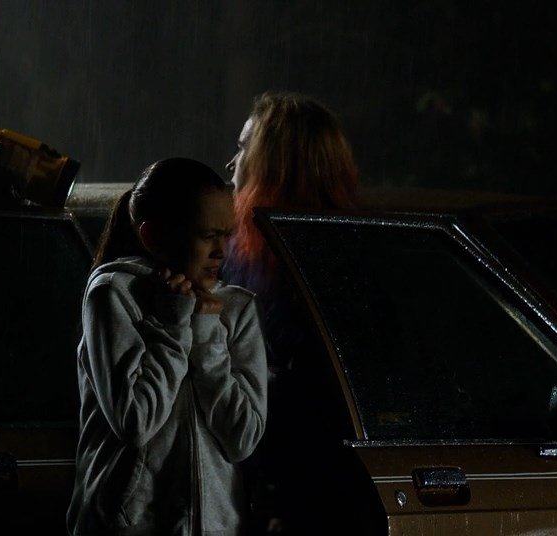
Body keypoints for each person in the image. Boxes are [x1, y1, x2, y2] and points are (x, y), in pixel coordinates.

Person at [68, 158, 269, 536]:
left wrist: (207, 338)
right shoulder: (114, 295)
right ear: (153, 237)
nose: (221, 251)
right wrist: (174, 327)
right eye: (207, 235)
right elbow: (136, 420)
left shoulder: (237, 309)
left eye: (226, 235)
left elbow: (242, 439)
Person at [223, 92, 383, 534]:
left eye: (243, 149)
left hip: (302, 490)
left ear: (276, 166)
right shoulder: (351, 258)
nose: (232, 164)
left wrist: (279, 498)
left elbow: (304, 396)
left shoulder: (303, 267)